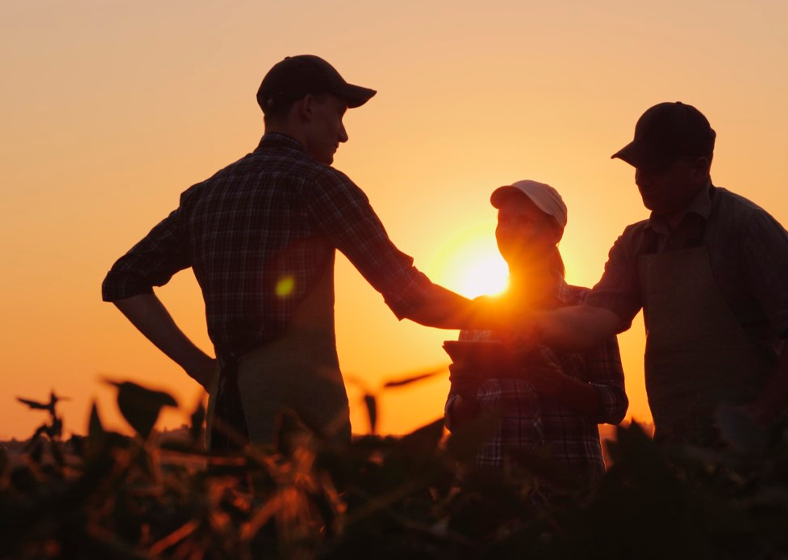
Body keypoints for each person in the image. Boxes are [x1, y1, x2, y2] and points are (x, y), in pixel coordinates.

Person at [102, 55, 491, 450]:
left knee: (232, 512)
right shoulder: (318, 184)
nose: (343, 134)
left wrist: (203, 369)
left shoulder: (207, 195)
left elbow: (123, 280)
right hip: (301, 428)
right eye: (338, 114)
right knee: (307, 511)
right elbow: (411, 295)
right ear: (307, 107)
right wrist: (506, 319)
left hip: (226, 419)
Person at [526, 102, 788, 445]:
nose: (641, 178)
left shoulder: (748, 229)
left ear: (700, 168)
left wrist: (759, 418)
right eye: (637, 165)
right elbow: (594, 320)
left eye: (656, 167)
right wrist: (513, 320)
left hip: (759, 454)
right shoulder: (636, 243)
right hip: (677, 448)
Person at [444, 180, 627, 479]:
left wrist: (560, 385)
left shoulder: (588, 306)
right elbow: (456, 417)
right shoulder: (477, 313)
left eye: (524, 220)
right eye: (504, 220)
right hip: (495, 489)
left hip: (570, 487)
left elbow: (615, 405)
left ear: (556, 233)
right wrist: (468, 393)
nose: (511, 229)